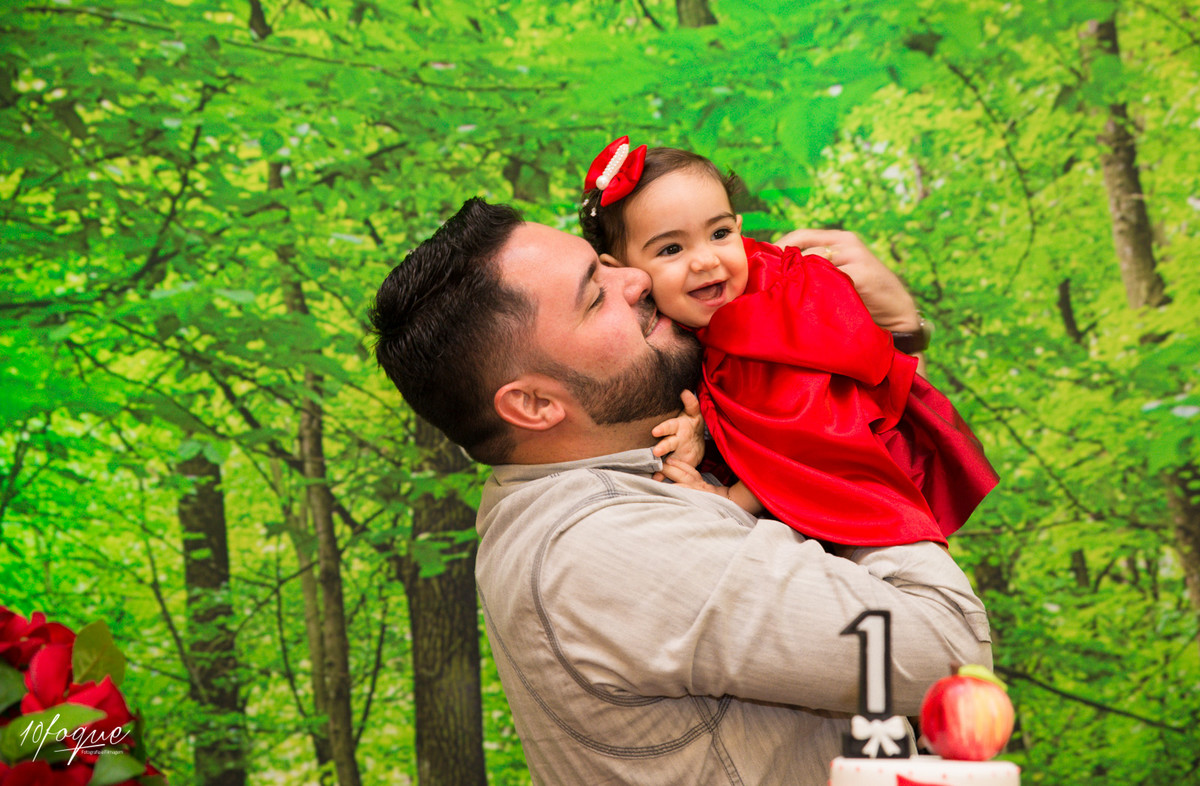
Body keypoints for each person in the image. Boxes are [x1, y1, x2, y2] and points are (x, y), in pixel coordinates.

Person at [369, 197, 992, 786]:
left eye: (608, 266)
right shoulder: (606, 546)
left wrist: (887, 336)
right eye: (595, 297)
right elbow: (949, 653)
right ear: (534, 404)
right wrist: (826, 443)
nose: (636, 280)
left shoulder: (638, 469)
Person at [579, 137, 999, 547]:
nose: (707, 259)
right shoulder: (664, 328)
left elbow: (807, 429)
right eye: (671, 248)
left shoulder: (772, 311)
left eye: (720, 233)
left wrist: (734, 498)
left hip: (862, 476)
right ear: (624, 272)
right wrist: (699, 428)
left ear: (739, 228)